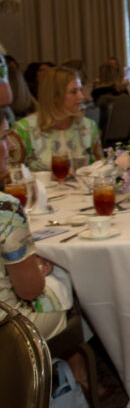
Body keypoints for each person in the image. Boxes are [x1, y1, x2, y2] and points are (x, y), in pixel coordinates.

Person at [0, 115, 70, 340]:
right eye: (3, 137)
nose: (11, 145)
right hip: (8, 331)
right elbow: (29, 290)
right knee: (66, 282)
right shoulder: (6, 208)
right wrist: (39, 270)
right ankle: (78, 370)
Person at [10, 66, 101, 172]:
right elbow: (12, 175)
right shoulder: (24, 130)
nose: (81, 96)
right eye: (74, 92)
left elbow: (99, 170)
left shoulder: (88, 127)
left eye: (80, 90)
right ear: (54, 96)